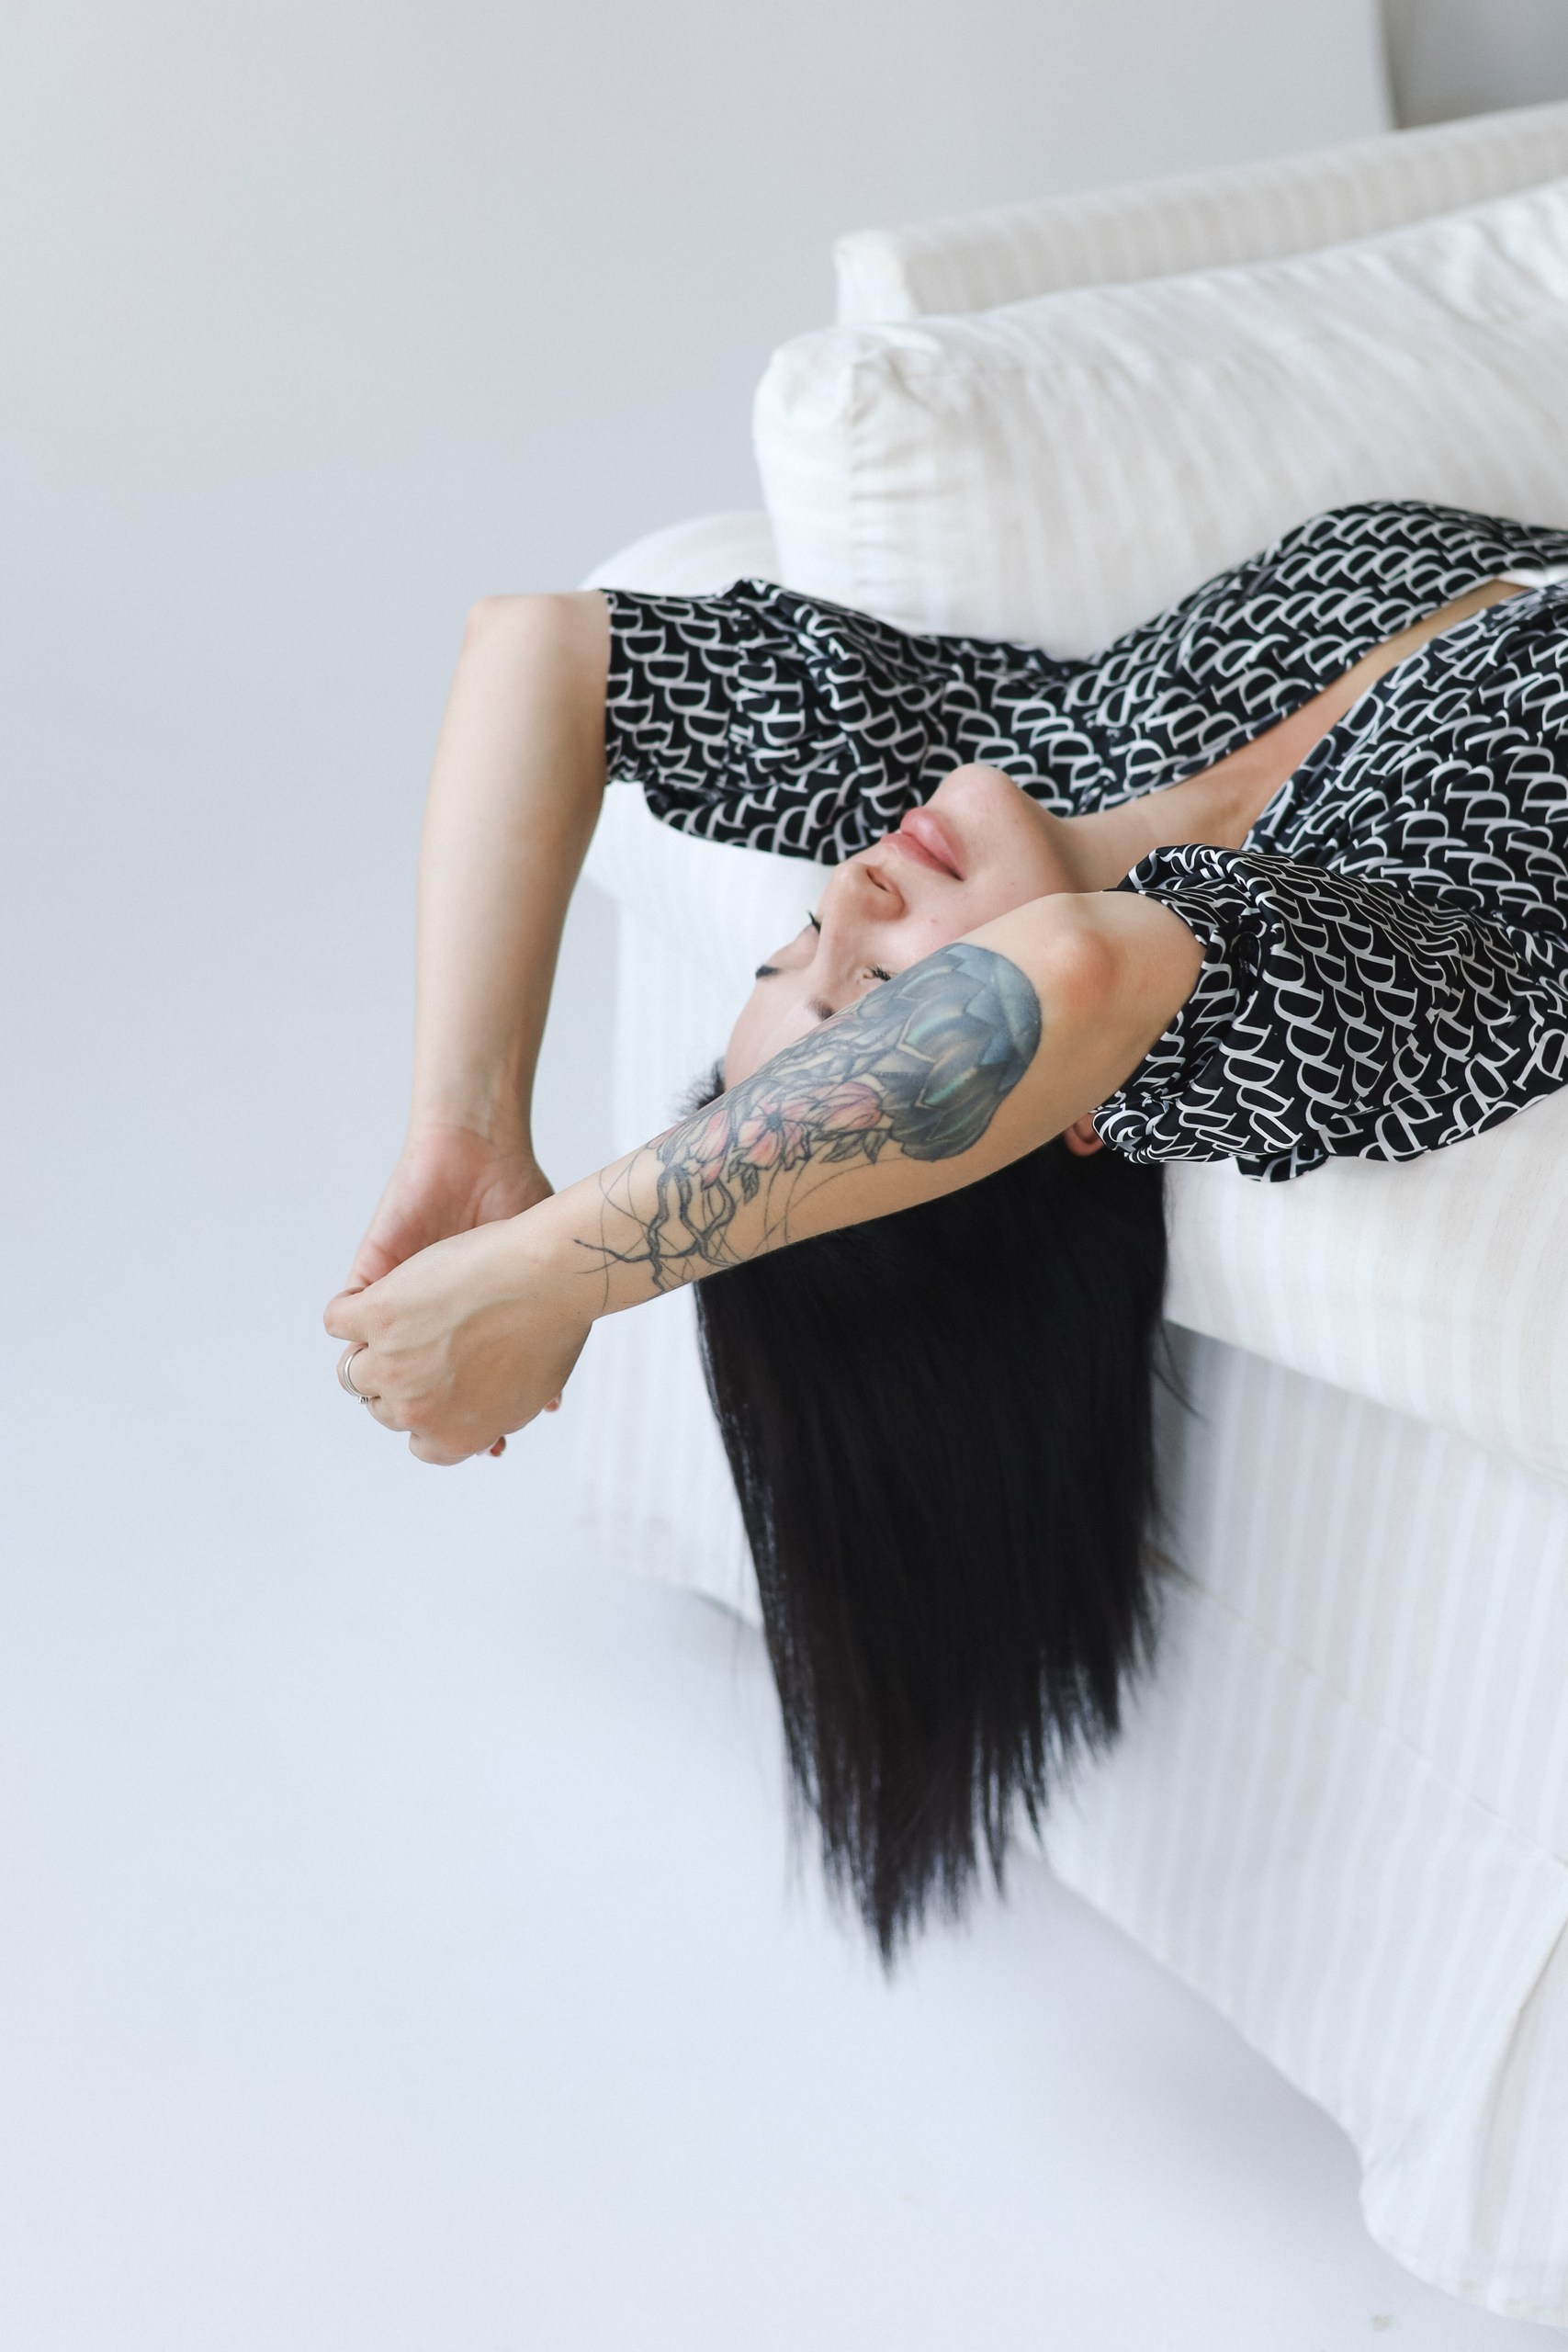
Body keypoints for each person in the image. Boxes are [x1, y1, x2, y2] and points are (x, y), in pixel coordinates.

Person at [327, 500, 1568, 1953]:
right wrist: (565, 1283)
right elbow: (1072, 977)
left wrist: (469, 1140)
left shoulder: (1034, 756)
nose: (851, 894)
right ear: (1068, 1110)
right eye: (878, 994)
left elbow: (544, 650)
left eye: (799, 948)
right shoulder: (1374, 984)